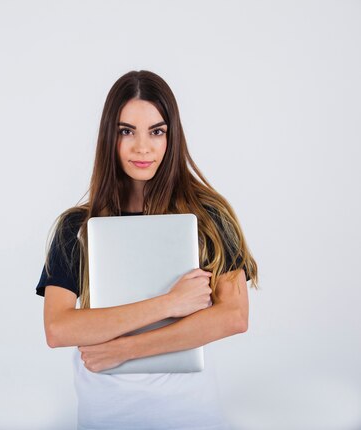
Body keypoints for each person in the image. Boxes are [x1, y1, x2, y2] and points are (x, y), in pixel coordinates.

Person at [35, 70, 259, 429]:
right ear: (109, 137)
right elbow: (58, 329)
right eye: (127, 131)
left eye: (157, 131)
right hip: (106, 414)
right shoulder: (75, 229)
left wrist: (125, 349)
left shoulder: (208, 215)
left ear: (172, 137)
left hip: (190, 415)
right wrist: (169, 303)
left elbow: (234, 316)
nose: (143, 147)